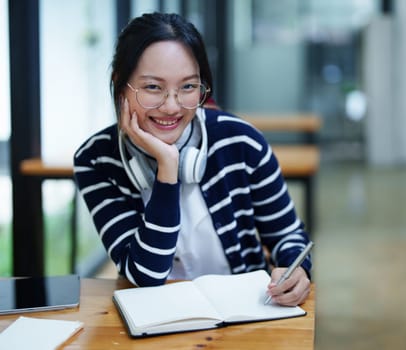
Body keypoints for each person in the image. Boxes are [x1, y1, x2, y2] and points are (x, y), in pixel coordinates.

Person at [73, 12, 312, 306]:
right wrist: (167, 168)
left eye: (187, 87)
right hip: (154, 317)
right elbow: (146, 274)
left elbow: (288, 235)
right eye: (152, 87)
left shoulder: (241, 141)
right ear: (121, 87)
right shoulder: (96, 160)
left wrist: (296, 268)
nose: (171, 107)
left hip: (246, 314)